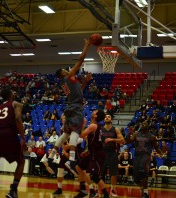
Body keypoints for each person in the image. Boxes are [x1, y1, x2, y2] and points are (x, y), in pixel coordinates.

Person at [48, 38, 92, 174]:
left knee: (67, 132)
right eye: (64, 70)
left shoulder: (66, 82)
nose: (67, 70)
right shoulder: (69, 76)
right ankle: (72, 159)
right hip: (76, 108)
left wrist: (85, 81)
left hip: (69, 108)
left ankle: (51, 154)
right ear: (62, 73)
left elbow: (80, 90)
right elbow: (80, 60)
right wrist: (86, 46)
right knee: (75, 132)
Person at [78, 109, 110, 198]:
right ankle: (83, 190)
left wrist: (83, 124)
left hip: (97, 154)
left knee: (94, 176)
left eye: (95, 111)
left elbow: (81, 135)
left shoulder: (93, 126)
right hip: (92, 152)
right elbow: (92, 141)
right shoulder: (95, 126)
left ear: (95, 116)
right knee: (79, 167)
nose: (93, 111)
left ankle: (103, 194)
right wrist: (87, 151)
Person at [125, 121, 162, 198]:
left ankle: (145, 192)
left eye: (145, 123)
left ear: (148, 126)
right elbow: (128, 141)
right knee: (136, 178)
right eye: (142, 123)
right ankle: (143, 189)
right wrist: (129, 133)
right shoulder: (136, 134)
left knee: (143, 172)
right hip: (137, 156)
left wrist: (161, 153)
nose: (143, 124)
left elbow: (156, 147)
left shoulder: (152, 136)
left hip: (146, 156)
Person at [101, 113, 125, 197]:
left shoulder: (115, 129)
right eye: (106, 117)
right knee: (101, 173)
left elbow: (122, 140)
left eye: (109, 117)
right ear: (104, 120)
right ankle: (102, 190)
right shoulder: (100, 129)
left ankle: (113, 190)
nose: (107, 118)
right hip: (102, 152)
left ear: (111, 119)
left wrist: (112, 139)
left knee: (113, 173)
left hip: (112, 152)